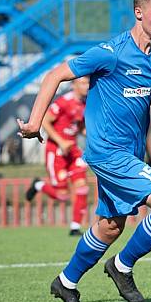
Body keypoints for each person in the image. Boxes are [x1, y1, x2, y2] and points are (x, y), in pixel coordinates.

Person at [17, 0, 151, 302]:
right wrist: (36, 123)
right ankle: (121, 266)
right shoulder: (110, 53)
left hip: (130, 153)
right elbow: (54, 76)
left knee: (110, 226)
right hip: (107, 152)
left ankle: (66, 282)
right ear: (138, 13)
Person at [25, 77, 90, 236]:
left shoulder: (84, 103)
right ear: (74, 84)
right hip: (56, 151)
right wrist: (61, 141)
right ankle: (38, 185)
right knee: (62, 196)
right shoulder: (63, 102)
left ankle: (75, 227)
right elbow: (46, 121)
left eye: (88, 82)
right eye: (83, 83)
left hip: (72, 151)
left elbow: (79, 126)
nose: (87, 86)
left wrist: (94, 136)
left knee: (82, 187)